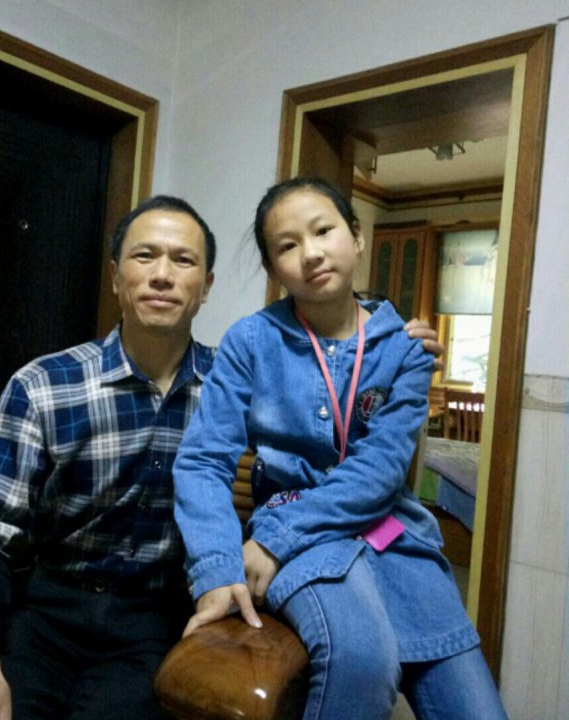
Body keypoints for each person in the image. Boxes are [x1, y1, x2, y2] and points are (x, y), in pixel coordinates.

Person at [0, 193, 444, 720]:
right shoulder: (44, 385)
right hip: (47, 608)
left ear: (206, 287)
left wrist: (396, 341)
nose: (162, 275)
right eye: (144, 256)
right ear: (114, 277)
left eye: (183, 260)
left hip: (158, 617)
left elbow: (332, 393)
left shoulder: (238, 381)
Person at [172, 178, 507, 720]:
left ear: (356, 236)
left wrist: (273, 539)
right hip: (300, 543)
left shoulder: (406, 350)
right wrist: (216, 568)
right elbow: (203, 459)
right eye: (287, 245)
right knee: (363, 661)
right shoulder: (251, 341)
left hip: (393, 537)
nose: (310, 253)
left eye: (323, 230)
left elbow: (380, 472)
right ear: (273, 268)